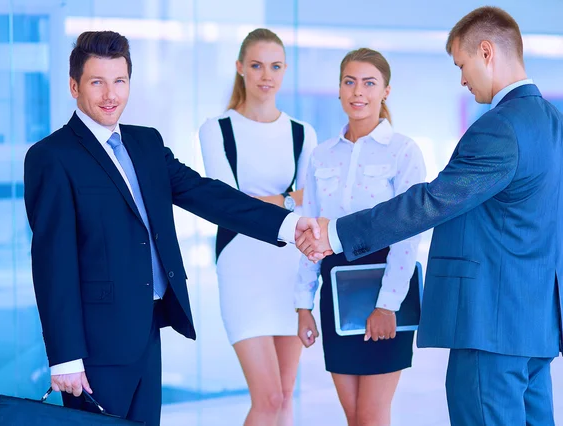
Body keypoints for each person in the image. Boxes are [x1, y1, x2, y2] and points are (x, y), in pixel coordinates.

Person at [23, 30, 319, 426]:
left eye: (120, 81)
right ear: (74, 86)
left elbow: (210, 196)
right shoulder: (51, 157)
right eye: (97, 82)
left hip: (147, 330)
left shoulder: (145, 144)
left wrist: (290, 224)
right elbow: (52, 266)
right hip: (94, 347)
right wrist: (65, 357)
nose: (111, 94)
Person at [297, 6, 563, 426]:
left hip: (489, 322)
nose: (462, 78)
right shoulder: (553, 122)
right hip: (535, 323)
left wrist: (339, 233)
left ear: (487, 52)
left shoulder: (500, 127)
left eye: (462, 64)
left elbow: (433, 201)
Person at [294, 48, 426, 426]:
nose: (358, 92)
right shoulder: (321, 155)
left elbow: (408, 234)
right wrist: (303, 303)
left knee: (370, 417)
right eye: (349, 82)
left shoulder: (403, 151)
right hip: (335, 293)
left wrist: (388, 305)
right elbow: (310, 232)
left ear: (385, 91)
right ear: (338, 90)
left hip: (387, 289)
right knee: (354, 418)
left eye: (369, 83)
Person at [199, 28, 317, 426]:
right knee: (267, 398)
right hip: (241, 266)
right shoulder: (217, 129)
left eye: (276, 66)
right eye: (257, 65)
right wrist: (287, 200)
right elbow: (224, 204)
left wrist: (260, 202)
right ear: (240, 68)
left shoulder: (303, 133)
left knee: (284, 397)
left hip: (288, 267)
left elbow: (312, 202)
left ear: (285, 71)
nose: (266, 75)